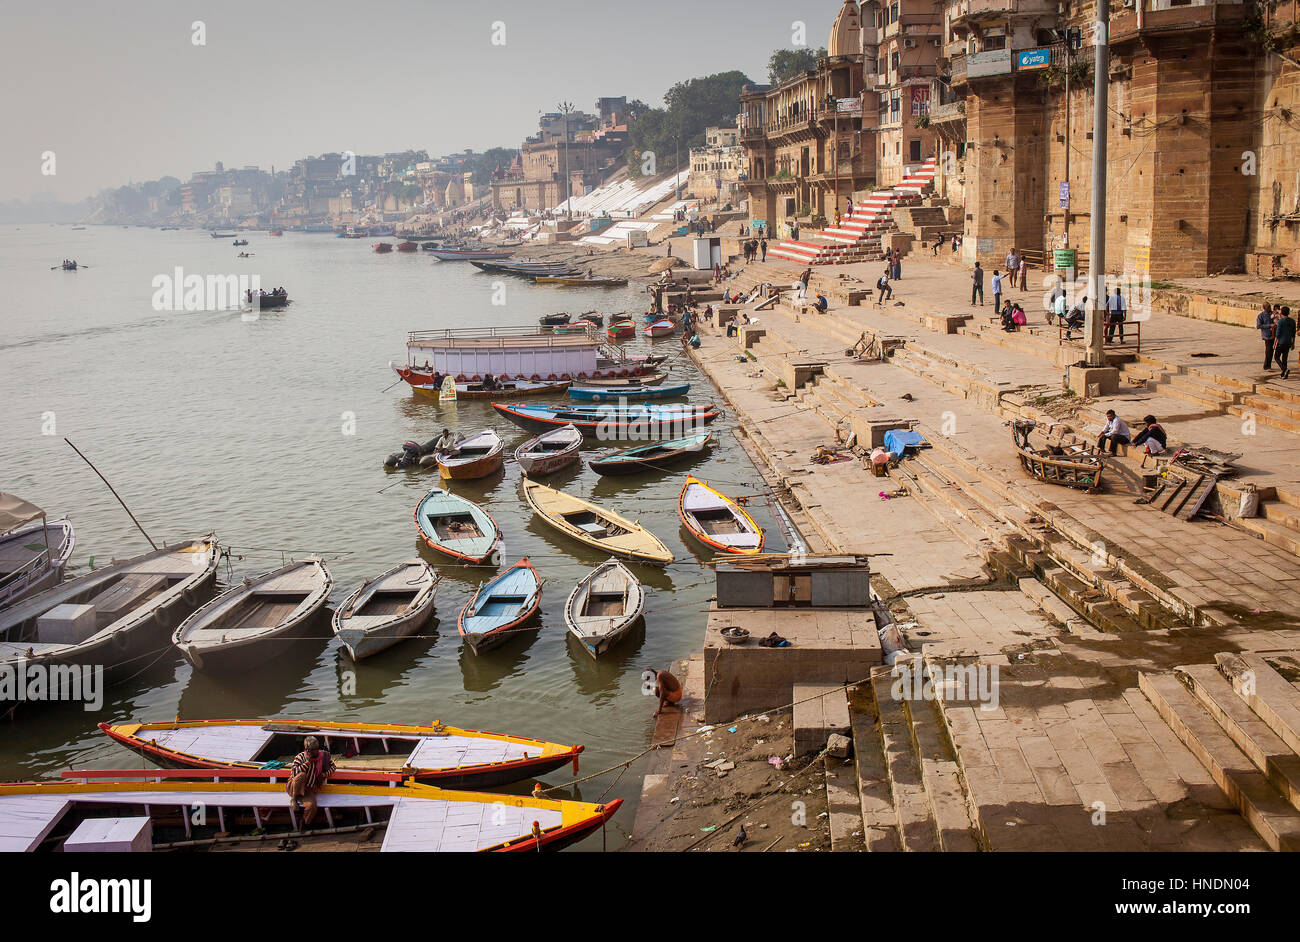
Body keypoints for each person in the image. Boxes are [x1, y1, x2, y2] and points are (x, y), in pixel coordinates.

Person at [286, 735, 336, 828]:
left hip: (308, 789)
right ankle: (294, 799)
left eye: (316, 749)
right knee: (301, 775)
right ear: (307, 750)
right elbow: (294, 773)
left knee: (312, 806)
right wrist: (307, 763)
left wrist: (324, 774)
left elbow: (333, 767)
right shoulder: (300, 757)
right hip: (294, 788)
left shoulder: (323, 756)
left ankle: (304, 823)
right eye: (311, 750)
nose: (314, 751)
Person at [1275, 306, 1296, 379]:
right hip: (1288, 342)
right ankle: (1283, 374)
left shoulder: (1280, 321)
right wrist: (1293, 343)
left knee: (1276, 357)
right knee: (1284, 358)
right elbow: (1293, 334)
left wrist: (1275, 344)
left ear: (1281, 313)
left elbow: (1277, 334)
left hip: (1281, 342)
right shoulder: (1292, 321)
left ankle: (1284, 369)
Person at [1258, 302, 1276, 371]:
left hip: (1275, 334)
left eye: (1270, 306)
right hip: (1267, 335)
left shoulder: (1273, 314)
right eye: (1268, 307)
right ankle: (1267, 366)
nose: (1269, 308)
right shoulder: (1261, 316)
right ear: (1264, 308)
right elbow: (1259, 326)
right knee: (1269, 350)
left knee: (1273, 351)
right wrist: (1269, 325)